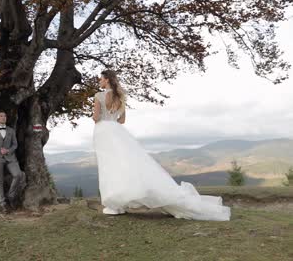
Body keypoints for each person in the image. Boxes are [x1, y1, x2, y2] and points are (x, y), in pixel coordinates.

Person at [92, 70, 230, 221]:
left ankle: (115, 205)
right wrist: (113, 124)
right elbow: (122, 120)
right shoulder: (121, 97)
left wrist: (103, 121)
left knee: (110, 166)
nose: (100, 81)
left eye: (101, 79)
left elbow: (96, 117)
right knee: (124, 165)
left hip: (104, 132)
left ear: (106, 80)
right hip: (117, 131)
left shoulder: (99, 96)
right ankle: (118, 203)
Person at [0, 110, 26, 213]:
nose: (4, 118)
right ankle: (3, 204)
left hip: (11, 158)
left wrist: (8, 150)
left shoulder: (11, 131)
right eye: (1, 116)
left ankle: (11, 195)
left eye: (5, 116)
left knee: (18, 175)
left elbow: (15, 145)